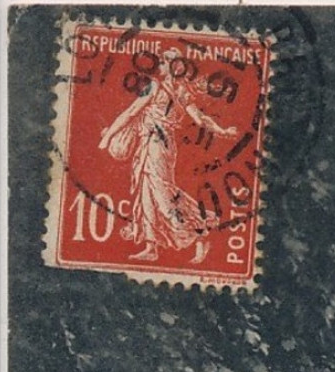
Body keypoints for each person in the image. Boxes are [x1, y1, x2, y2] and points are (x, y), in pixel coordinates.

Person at [96, 48, 238, 264]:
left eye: (163, 62)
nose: (159, 65)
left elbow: (199, 119)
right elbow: (132, 111)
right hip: (149, 145)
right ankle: (151, 246)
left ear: (173, 67)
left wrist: (107, 138)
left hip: (159, 147)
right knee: (146, 196)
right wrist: (223, 131)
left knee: (164, 197)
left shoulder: (168, 89)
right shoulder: (174, 91)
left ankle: (200, 234)